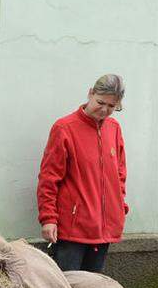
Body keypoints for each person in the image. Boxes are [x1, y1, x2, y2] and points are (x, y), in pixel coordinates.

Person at [37, 74, 128, 273]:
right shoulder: (64, 128)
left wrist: (119, 205)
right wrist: (48, 218)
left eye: (112, 107)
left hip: (105, 230)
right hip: (73, 231)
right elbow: (49, 178)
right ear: (90, 94)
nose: (104, 110)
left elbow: (120, 174)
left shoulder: (114, 129)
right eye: (100, 102)